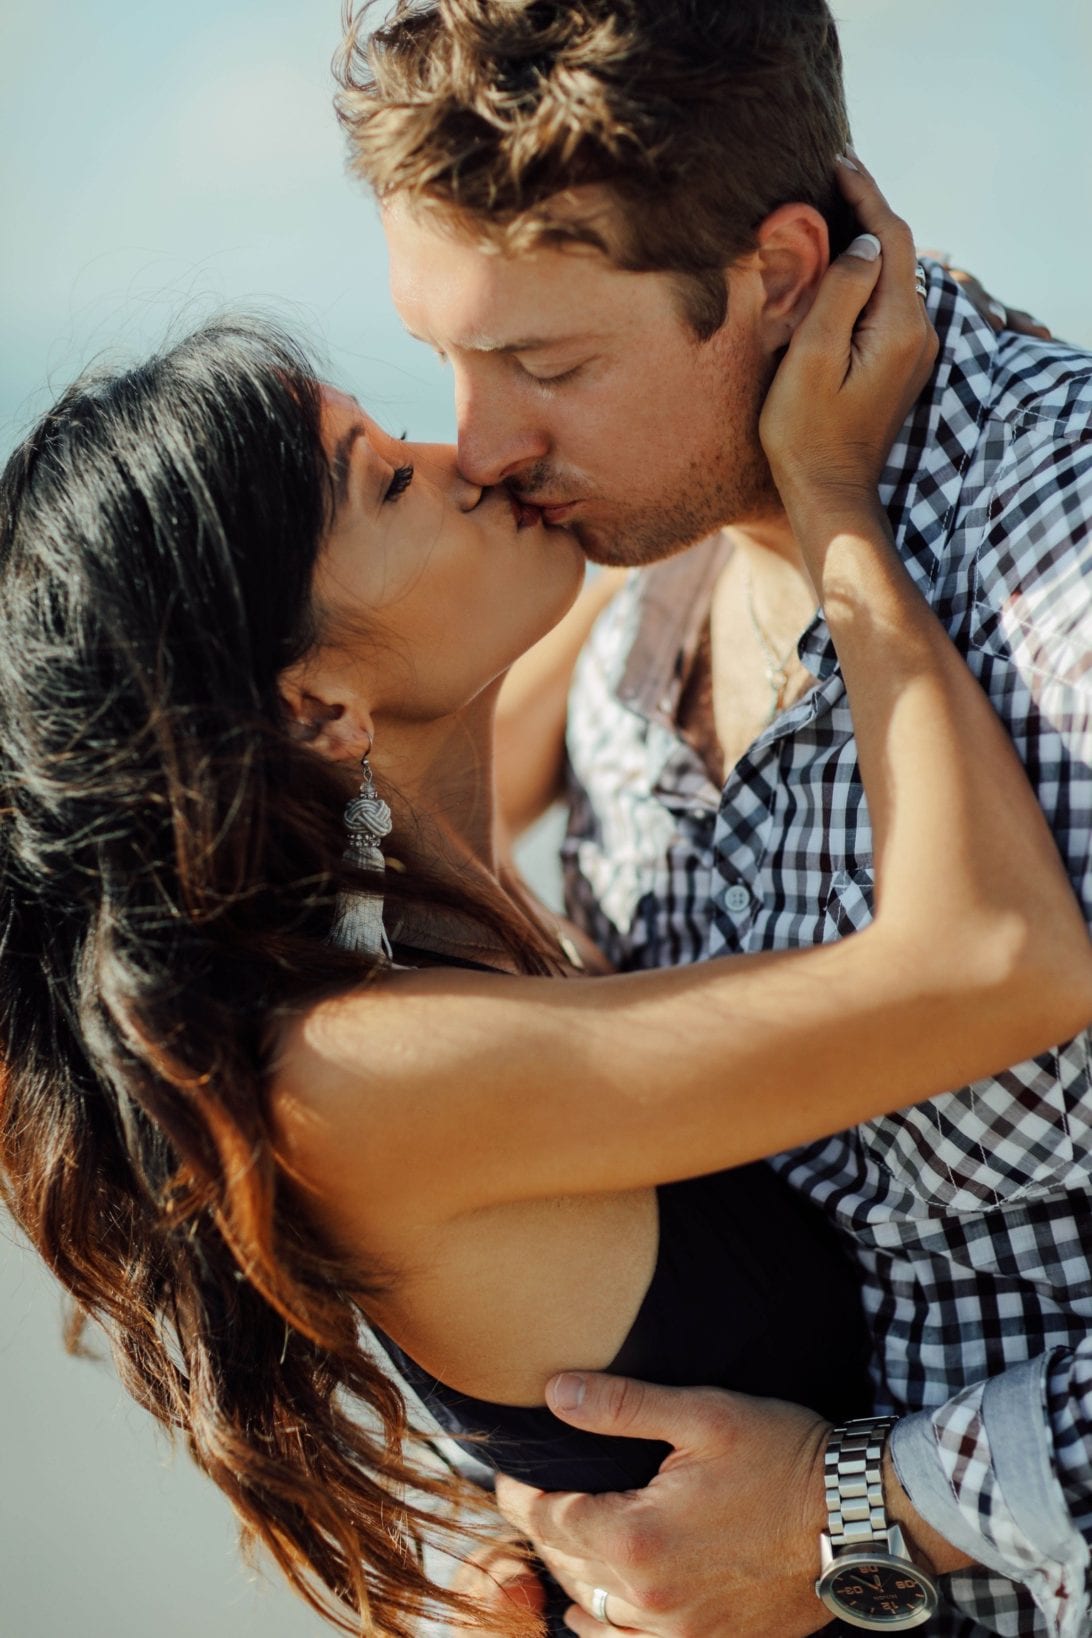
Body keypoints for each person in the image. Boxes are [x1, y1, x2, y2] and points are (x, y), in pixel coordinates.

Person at [1, 169, 1089, 1638]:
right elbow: (997, 963)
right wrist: (835, 496)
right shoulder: (350, 1077)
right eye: (388, 479)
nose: (469, 452)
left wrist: (815, 322)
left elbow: (657, 500)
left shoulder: (431, 908)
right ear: (319, 702)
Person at [335, 2, 1092, 1633]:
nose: (481, 445)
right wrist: (569, 1546)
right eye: (444, 356)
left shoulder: (1069, 603)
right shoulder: (623, 617)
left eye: (547, 364)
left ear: (776, 271)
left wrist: (865, 1507)